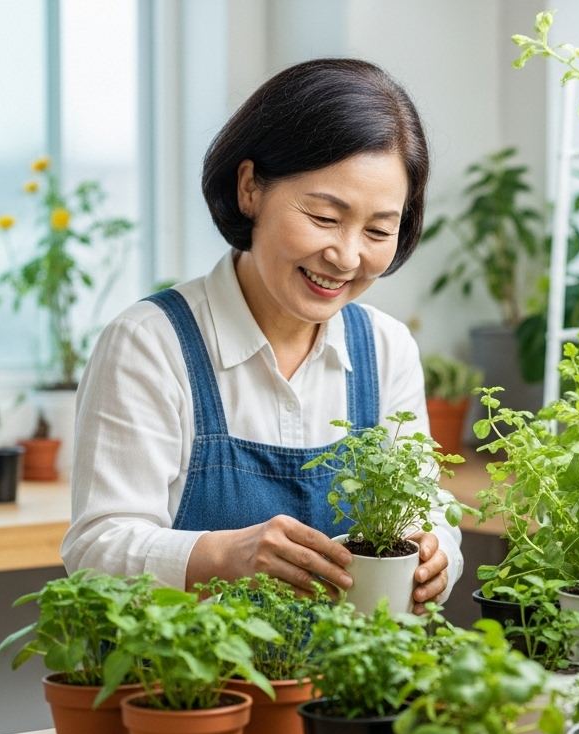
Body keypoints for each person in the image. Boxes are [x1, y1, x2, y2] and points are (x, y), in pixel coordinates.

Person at [63, 59, 461, 609]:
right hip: (190, 668)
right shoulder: (149, 344)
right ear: (250, 188)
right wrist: (225, 556)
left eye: (377, 230)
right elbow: (96, 549)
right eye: (324, 218)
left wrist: (438, 556)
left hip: (345, 668)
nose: (347, 256)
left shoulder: (386, 349)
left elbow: (426, 511)